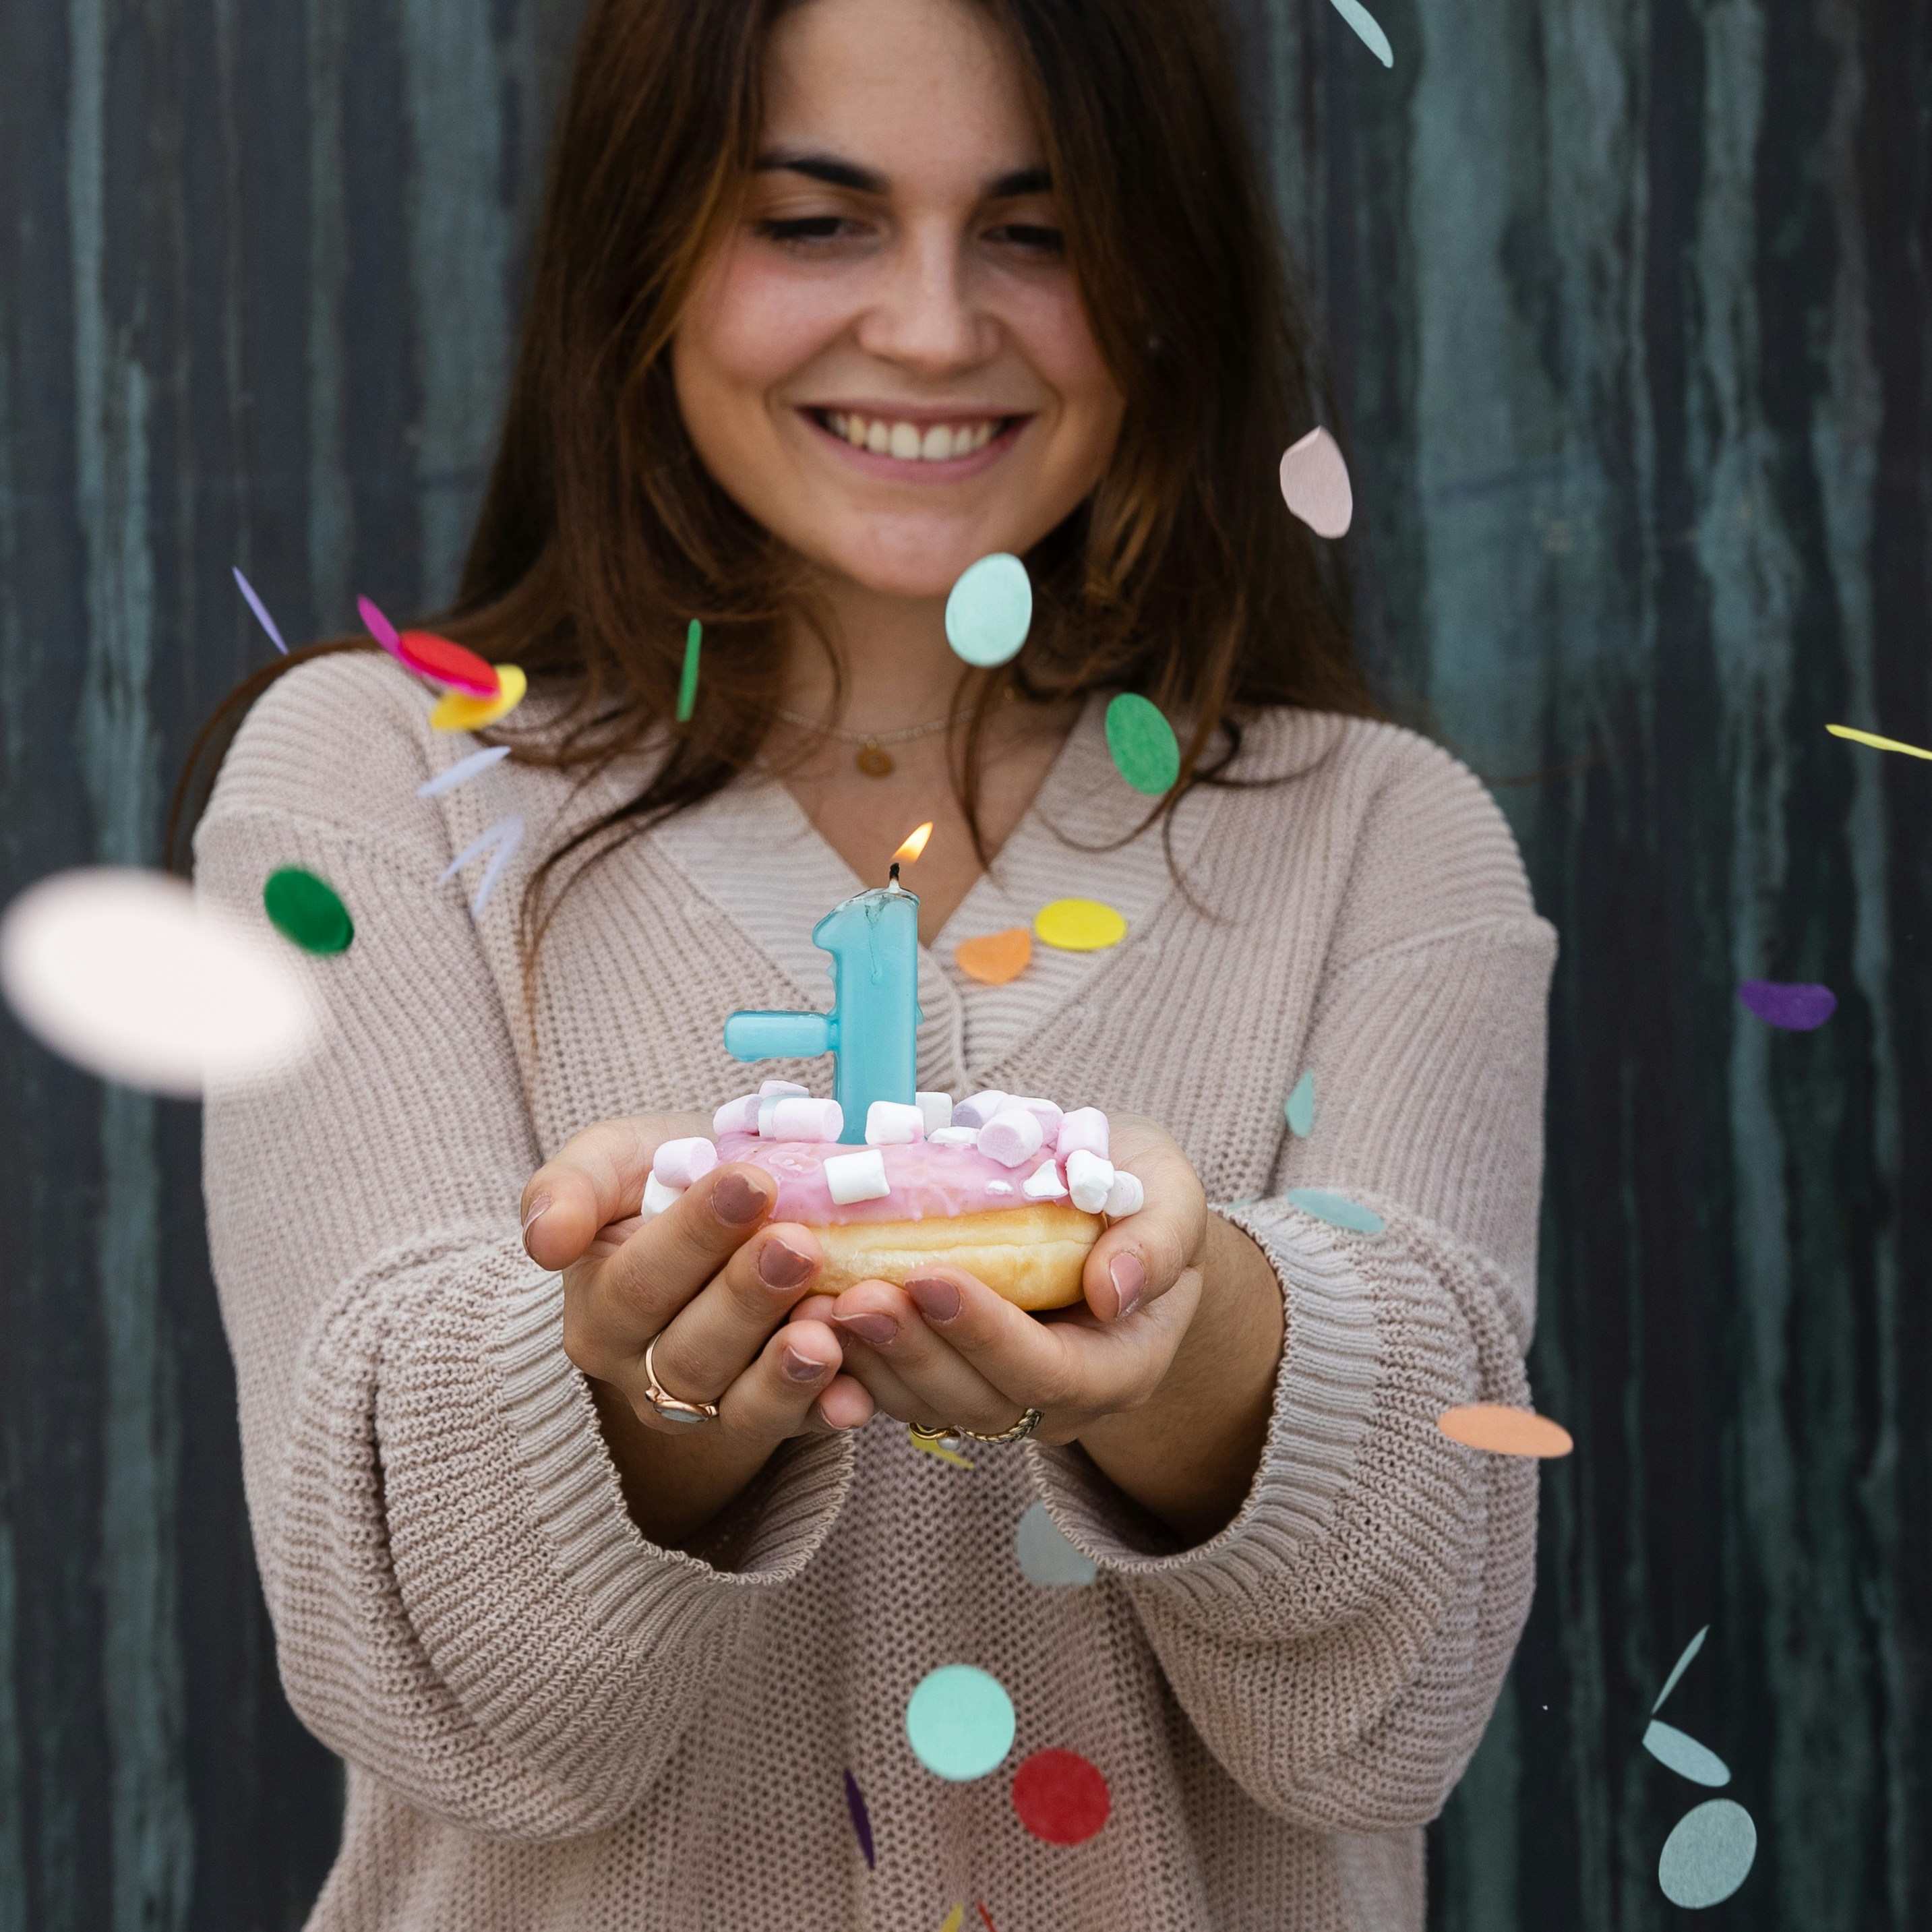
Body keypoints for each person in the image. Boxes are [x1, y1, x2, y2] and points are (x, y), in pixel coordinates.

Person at [187, 0, 1554, 1924]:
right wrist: (642, 1365)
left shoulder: (1378, 835)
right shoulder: (371, 787)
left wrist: (1198, 1328)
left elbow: (1394, 1708)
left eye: (1039, 226)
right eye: (812, 221)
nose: (928, 328)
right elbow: (435, 1689)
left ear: (1163, 271)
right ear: (639, 244)